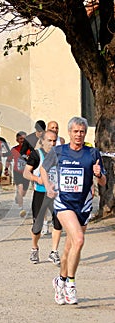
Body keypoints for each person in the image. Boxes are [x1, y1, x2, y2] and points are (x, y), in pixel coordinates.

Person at [40, 116, 106, 305]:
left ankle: (59, 280)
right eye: (75, 131)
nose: (79, 135)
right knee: (79, 239)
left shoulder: (92, 153)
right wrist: (48, 186)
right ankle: (70, 284)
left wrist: (99, 175)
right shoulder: (58, 151)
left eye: (82, 132)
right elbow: (44, 169)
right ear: (69, 133)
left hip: (83, 204)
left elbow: (103, 182)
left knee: (70, 247)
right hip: (64, 203)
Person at [23, 130, 62, 265]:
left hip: (56, 193)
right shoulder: (37, 154)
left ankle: (54, 252)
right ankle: (34, 248)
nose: (52, 143)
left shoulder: (60, 154)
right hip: (41, 192)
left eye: (54, 141)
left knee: (58, 222)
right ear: (43, 141)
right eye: (49, 140)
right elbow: (26, 173)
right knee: (37, 225)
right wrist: (36, 179)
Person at [5, 131, 31, 217]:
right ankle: (21, 209)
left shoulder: (29, 149)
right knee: (20, 188)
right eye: (21, 139)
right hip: (17, 172)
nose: (22, 140)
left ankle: (18, 197)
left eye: (24, 139)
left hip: (27, 173)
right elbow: (8, 160)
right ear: (17, 140)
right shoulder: (14, 149)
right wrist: (6, 169)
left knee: (23, 192)